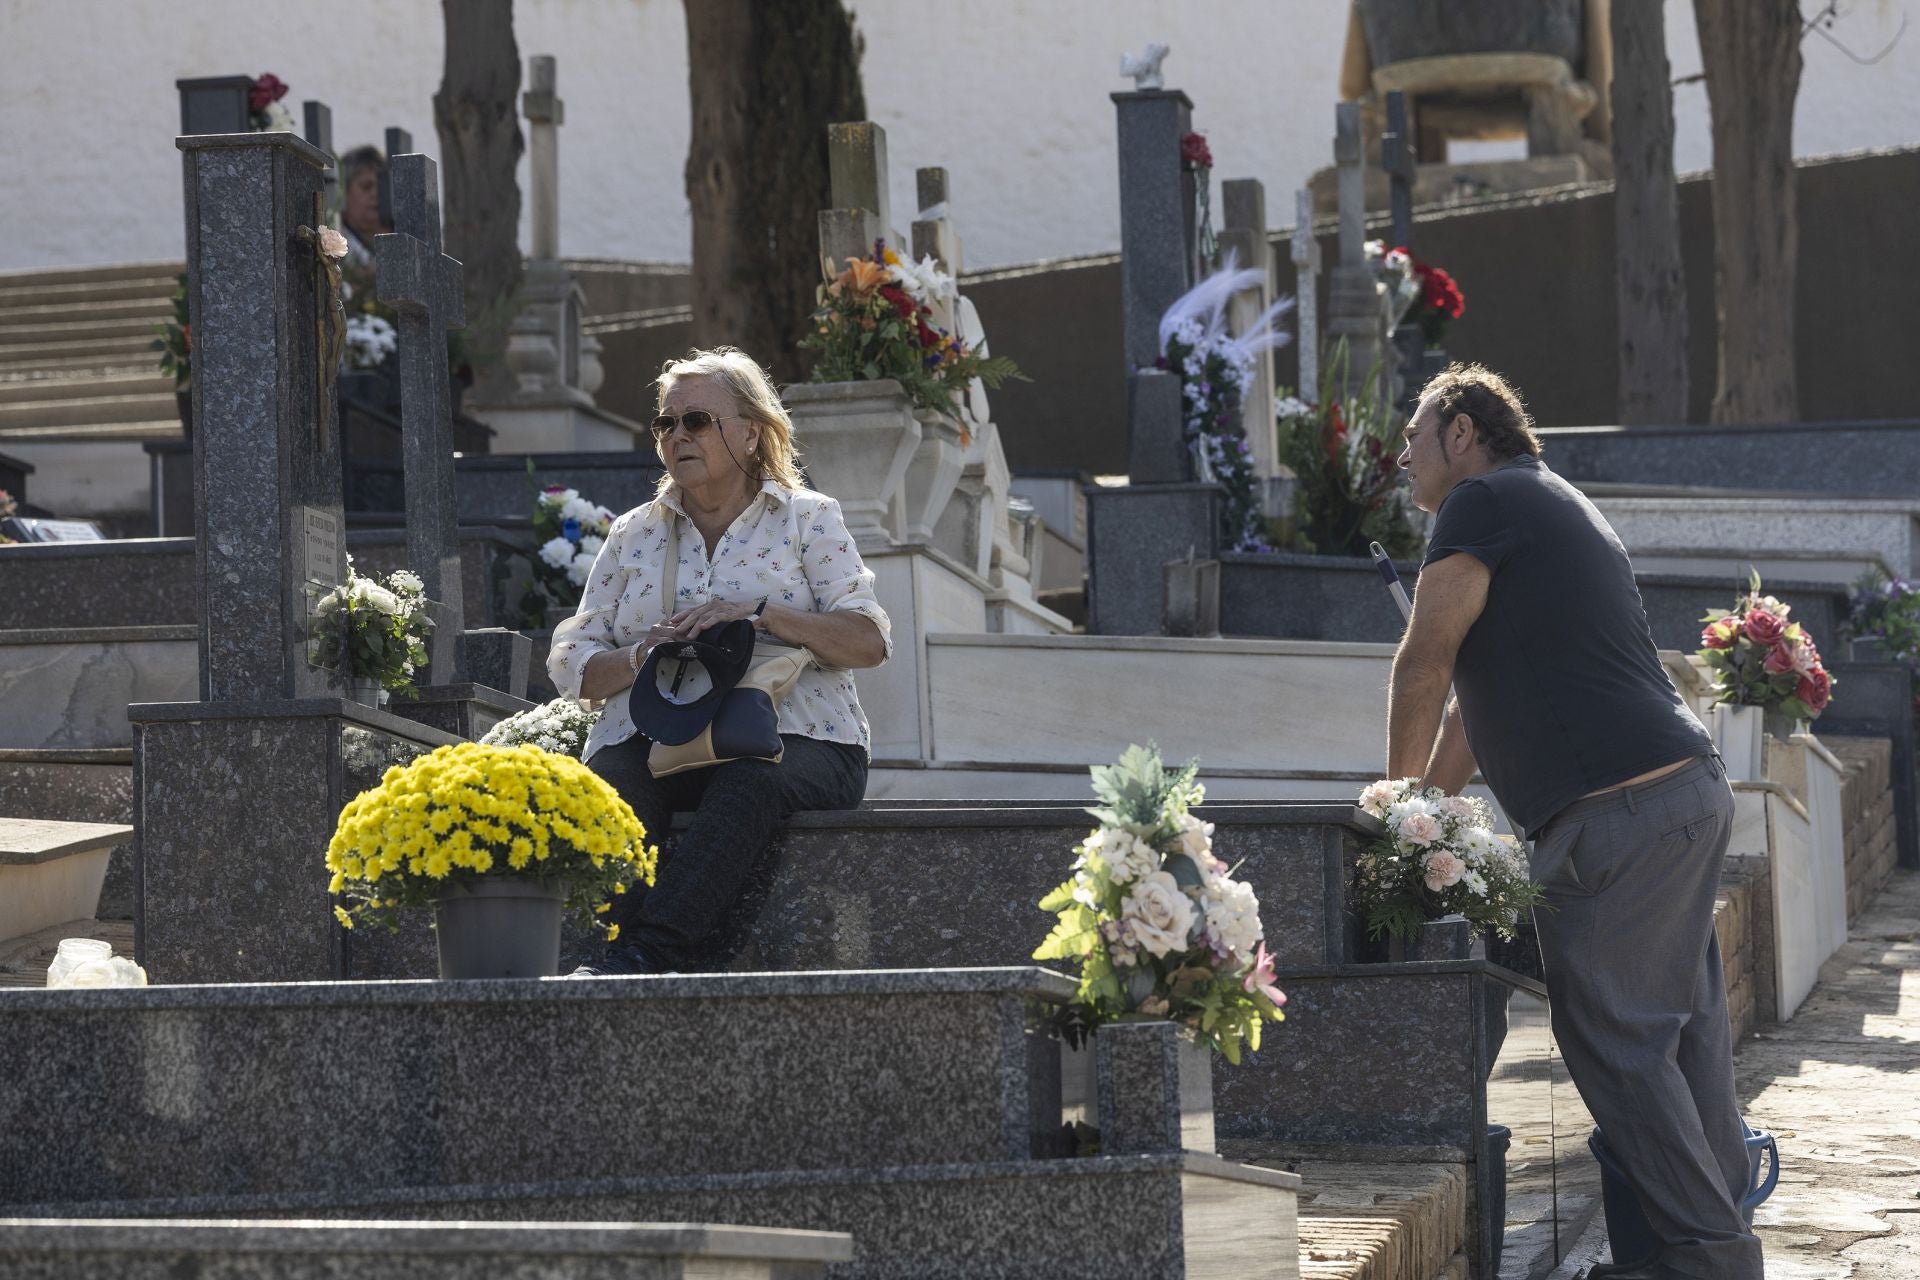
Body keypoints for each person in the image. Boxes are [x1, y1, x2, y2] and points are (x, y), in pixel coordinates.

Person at [1385, 364, 1762, 1280]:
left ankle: (1706, 1262)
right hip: (1680, 796)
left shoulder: (1477, 504)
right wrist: (1430, 805)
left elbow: (1425, 658)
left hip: (1620, 812)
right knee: (1682, 1041)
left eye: (1416, 434)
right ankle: (1716, 1249)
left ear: (1464, 433)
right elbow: (1478, 709)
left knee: (1619, 1048)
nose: (1403, 454)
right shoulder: (1552, 502)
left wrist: (1391, 806)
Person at [550, 346, 891, 974]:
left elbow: (868, 641)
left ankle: (651, 953)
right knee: (614, 783)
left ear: (752, 432)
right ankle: (604, 956)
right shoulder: (632, 533)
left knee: (750, 779)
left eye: (698, 421)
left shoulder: (808, 519)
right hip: (657, 737)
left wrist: (761, 613)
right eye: (666, 423)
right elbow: (574, 660)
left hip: (804, 736)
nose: (679, 434)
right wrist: (641, 654)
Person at [337, 145, 390, 264]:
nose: (376, 194)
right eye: (366, 186)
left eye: (382, 187)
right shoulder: (333, 247)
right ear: (343, 193)